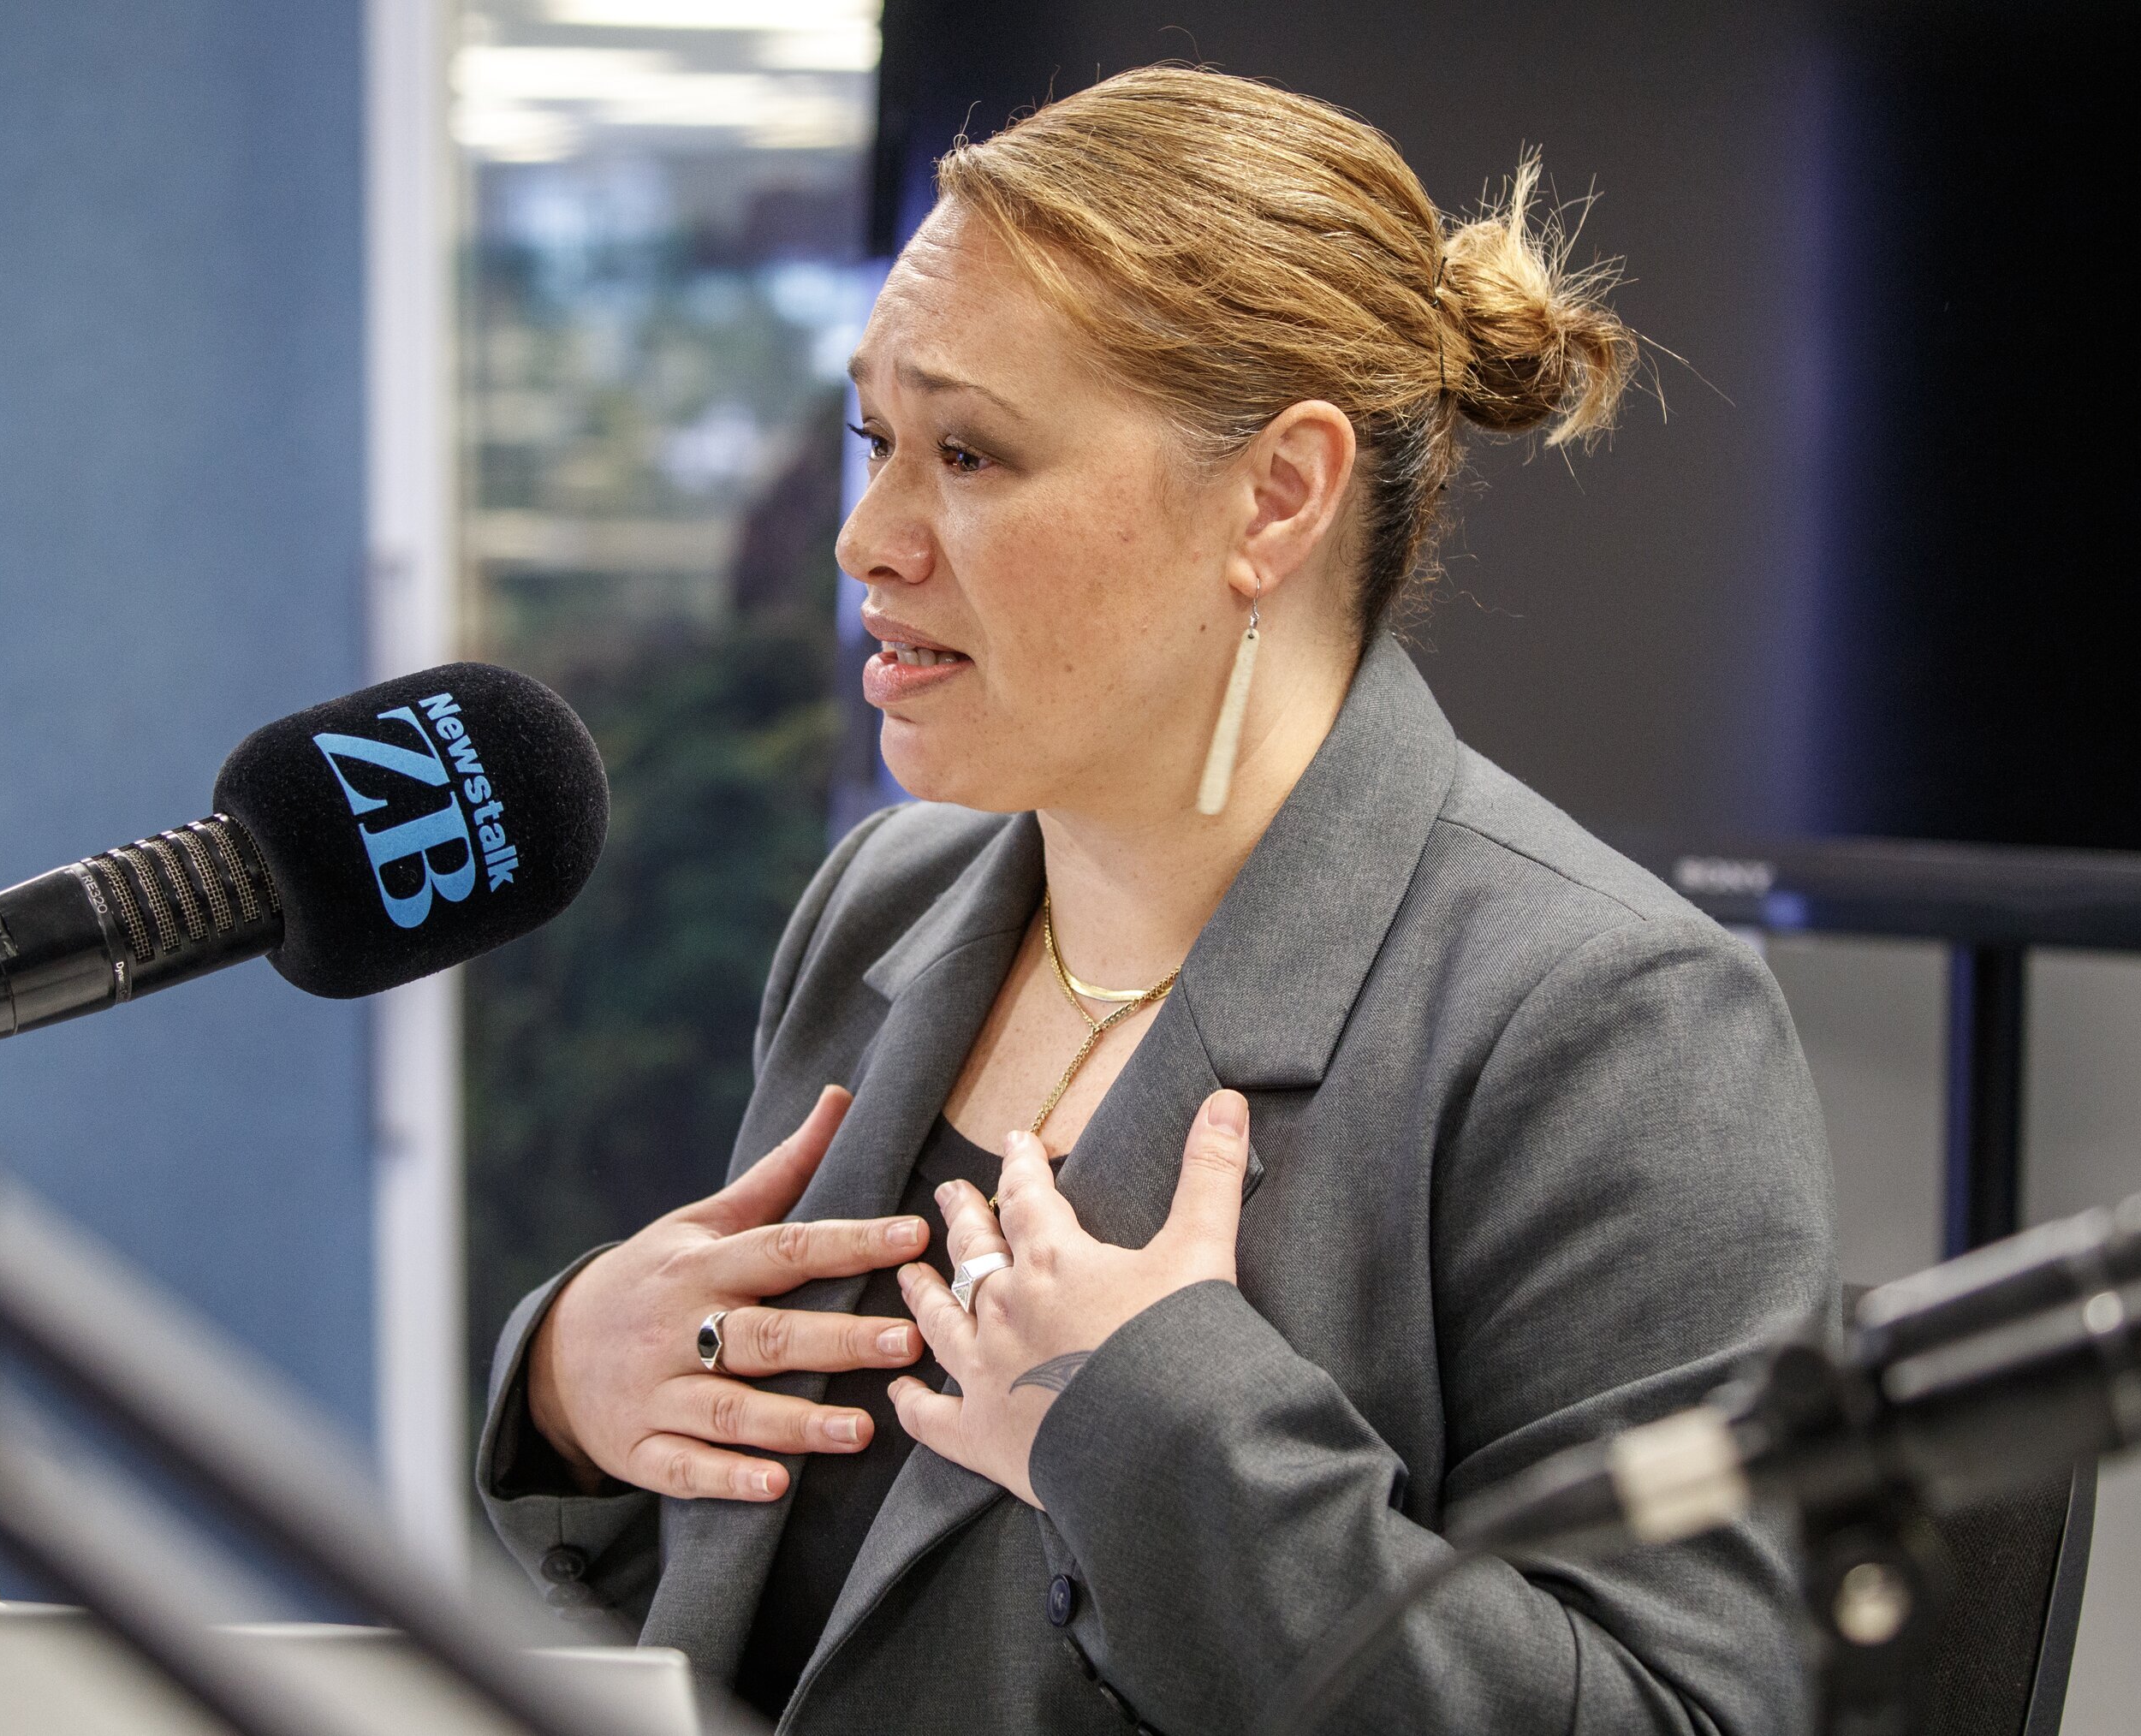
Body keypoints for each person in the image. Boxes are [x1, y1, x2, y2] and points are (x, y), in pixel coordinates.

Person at [479, 64, 1836, 1735]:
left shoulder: (1608, 1026)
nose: (867, 541)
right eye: (874, 443)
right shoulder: (880, 901)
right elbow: (791, 1623)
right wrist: (572, 1388)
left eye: (969, 452)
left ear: (1275, 498)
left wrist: (1151, 1435)